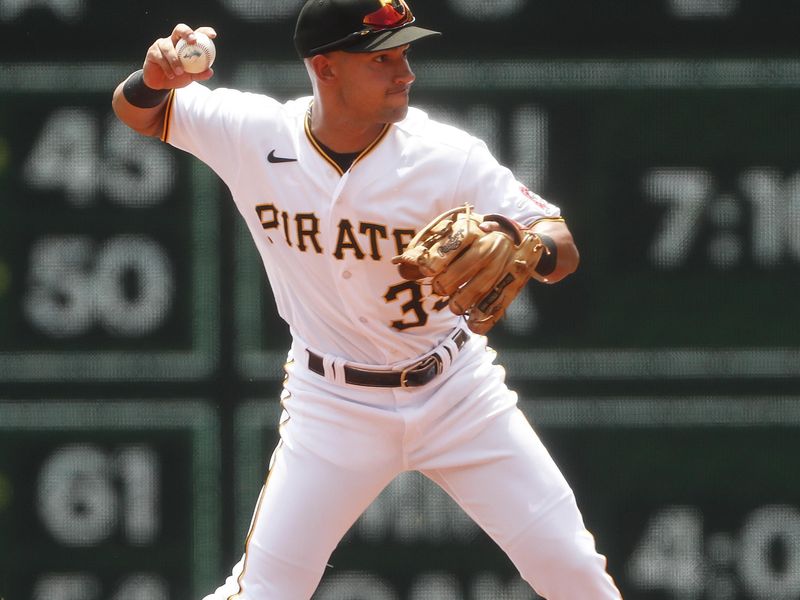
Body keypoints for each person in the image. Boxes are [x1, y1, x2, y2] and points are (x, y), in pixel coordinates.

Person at [112, 0, 623, 598]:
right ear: (325, 68)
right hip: (332, 404)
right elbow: (142, 114)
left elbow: (561, 244)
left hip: (456, 392)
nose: (405, 73)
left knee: (575, 574)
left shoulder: (444, 154)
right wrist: (154, 77)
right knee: (265, 593)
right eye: (383, 59)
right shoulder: (255, 134)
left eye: (404, 54)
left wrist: (522, 240)